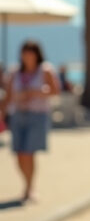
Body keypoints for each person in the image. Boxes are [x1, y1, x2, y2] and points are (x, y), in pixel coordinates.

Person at [0, 41, 59, 202]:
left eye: (30, 52)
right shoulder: (15, 72)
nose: (27, 56)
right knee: (19, 153)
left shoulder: (45, 70)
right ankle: (26, 183)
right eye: (25, 52)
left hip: (37, 115)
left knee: (29, 152)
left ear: (36, 54)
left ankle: (29, 187)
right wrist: (2, 112)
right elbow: (8, 96)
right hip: (18, 115)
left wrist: (36, 92)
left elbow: (55, 91)